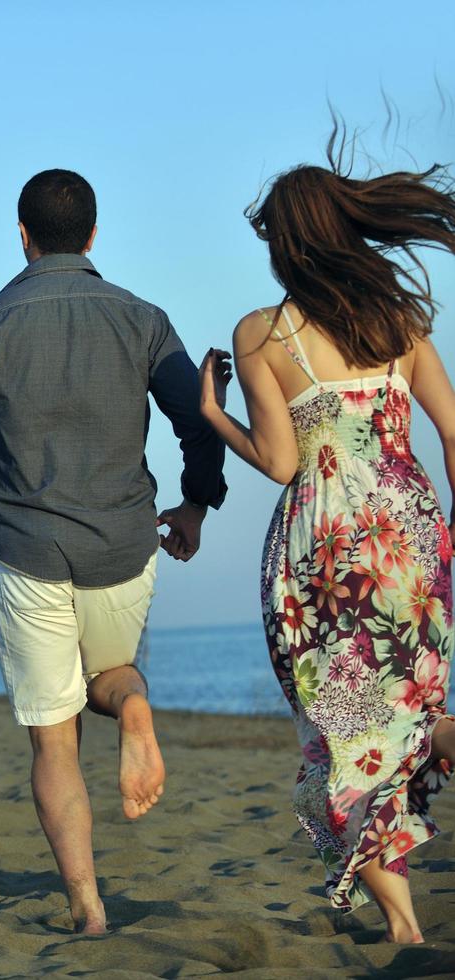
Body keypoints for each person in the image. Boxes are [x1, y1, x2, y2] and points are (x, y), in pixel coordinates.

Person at [0, 169, 226, 933]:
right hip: (126, 545)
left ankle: (87, 907)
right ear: (92, 235)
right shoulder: (143, 319)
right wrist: (194, 503)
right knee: (110, 675)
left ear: (21, 235)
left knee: (54, 739)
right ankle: (137, 708)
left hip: (29, 547)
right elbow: (201, 419)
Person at [197, 147, 455, 944]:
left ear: (285, 244)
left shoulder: (261, 334)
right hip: (408, 537)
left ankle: (406, 929)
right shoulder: (399, 321)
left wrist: (214, 416)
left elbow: (280, 463)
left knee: (343, 736)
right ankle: (407, 917)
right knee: (409, 712)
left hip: (323, 555)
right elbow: (451, 428)